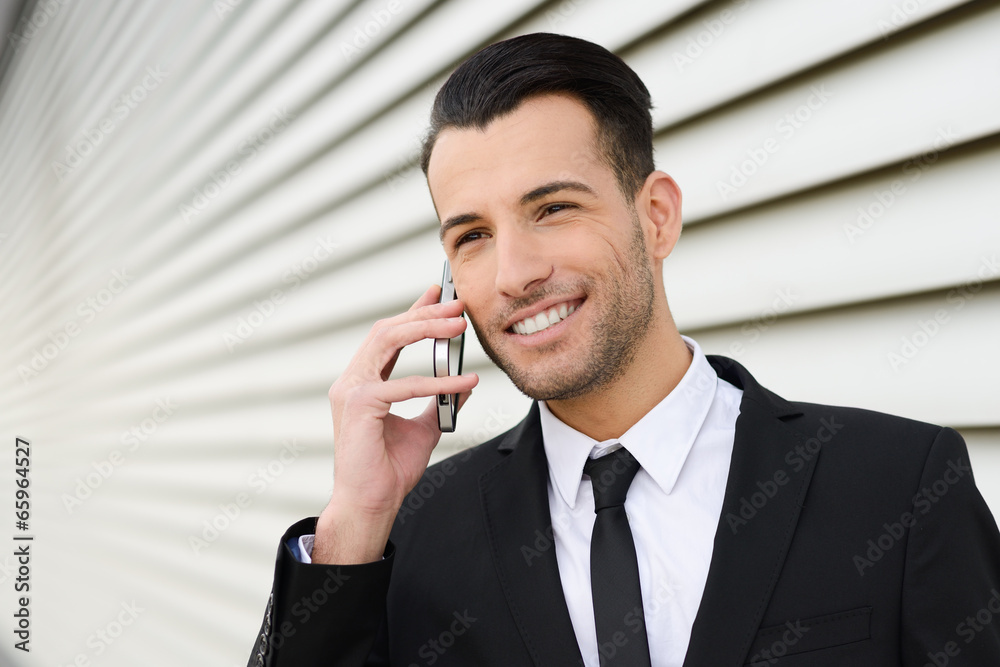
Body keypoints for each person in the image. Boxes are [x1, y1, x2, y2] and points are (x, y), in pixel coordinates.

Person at [248, 33, 1000, 666]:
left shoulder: (899, 485)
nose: (514, 275)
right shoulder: (407, 536)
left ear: (658, 216)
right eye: (472, 236)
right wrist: (354, 525)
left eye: (553, 208)